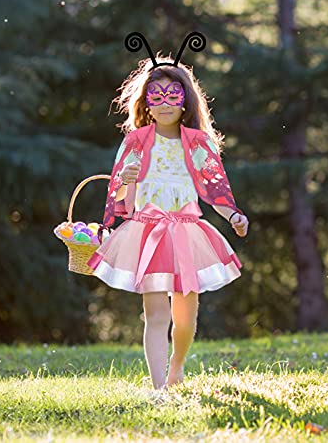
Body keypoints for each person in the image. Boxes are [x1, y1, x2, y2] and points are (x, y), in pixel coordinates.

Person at [84, 45, 249, 391]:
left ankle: (177, 366)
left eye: (172, 96)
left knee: (185, 321)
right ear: (145, 102)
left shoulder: (198, 143)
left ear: (186, 101)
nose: (163, 103)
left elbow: (215, 188)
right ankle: (159, 387)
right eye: (155, 96)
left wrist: (233, 214)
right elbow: (118, 198)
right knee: (156, 316)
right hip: (147, 233)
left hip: (188, 234)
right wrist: (125, 183)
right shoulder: (136, 142)